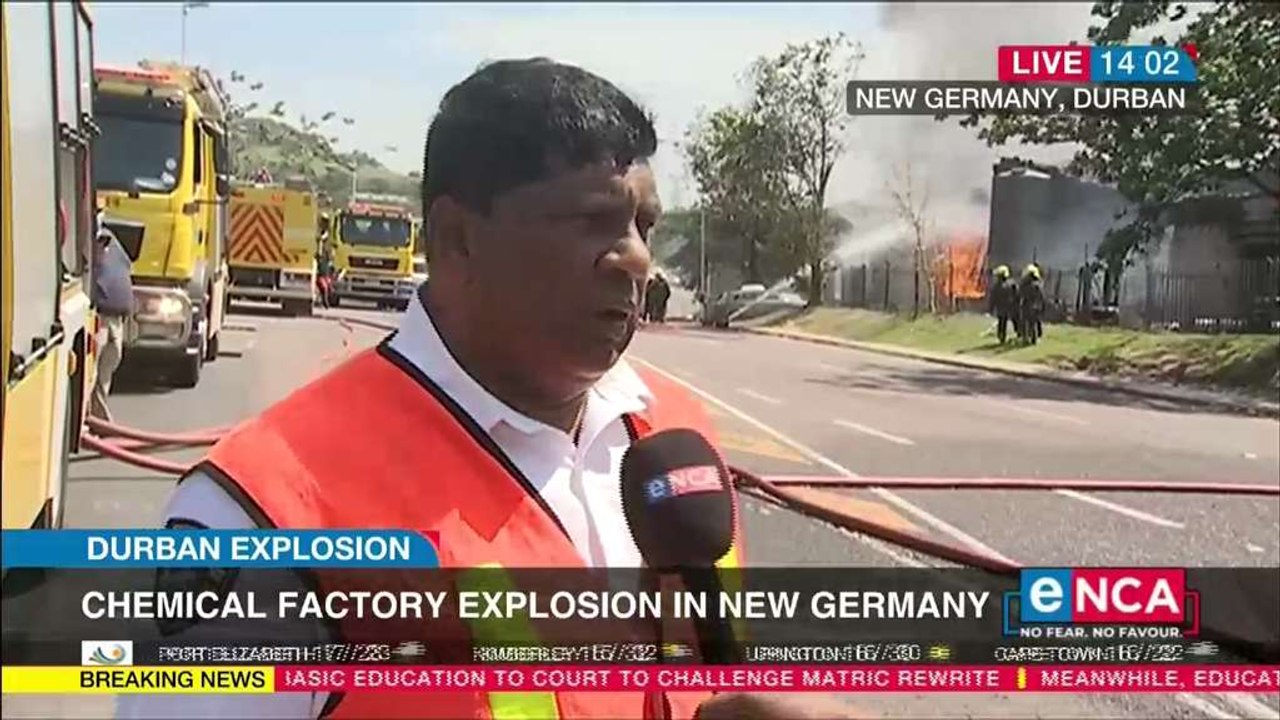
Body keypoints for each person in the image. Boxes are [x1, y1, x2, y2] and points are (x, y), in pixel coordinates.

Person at [119, 59, 852, 720]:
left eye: (644, 225)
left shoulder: (677, 444)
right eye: (592, 221)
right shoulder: (262, 515)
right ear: (458, 240)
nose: (636, 260)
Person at [90, 210, 134, 421]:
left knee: (108, 367)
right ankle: (100, 420)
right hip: (99, 317)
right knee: (93, 372)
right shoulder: (89, 245)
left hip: (117, 318)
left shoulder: (113, 244)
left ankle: (97, 414)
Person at [987, 264, 1018, 345]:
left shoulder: (997, 286)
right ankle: (1018, 334)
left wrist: (991, 308)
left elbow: (993, 298)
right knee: (1013, 320)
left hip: (1003, 307)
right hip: (1010, 306)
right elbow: (1017, 295)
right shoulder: (1012, 284)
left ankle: (1002, 337)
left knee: (1003, 322)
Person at [1017, 263, 1045, 345]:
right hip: (1035, 306)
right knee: (1033, 323)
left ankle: (1026, 338)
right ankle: (1034, 339)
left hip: (1027, 305)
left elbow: (1020, 294)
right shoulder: (1038, 285)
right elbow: (1041, 296)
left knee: (1025, 322)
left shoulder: (1025, 285)